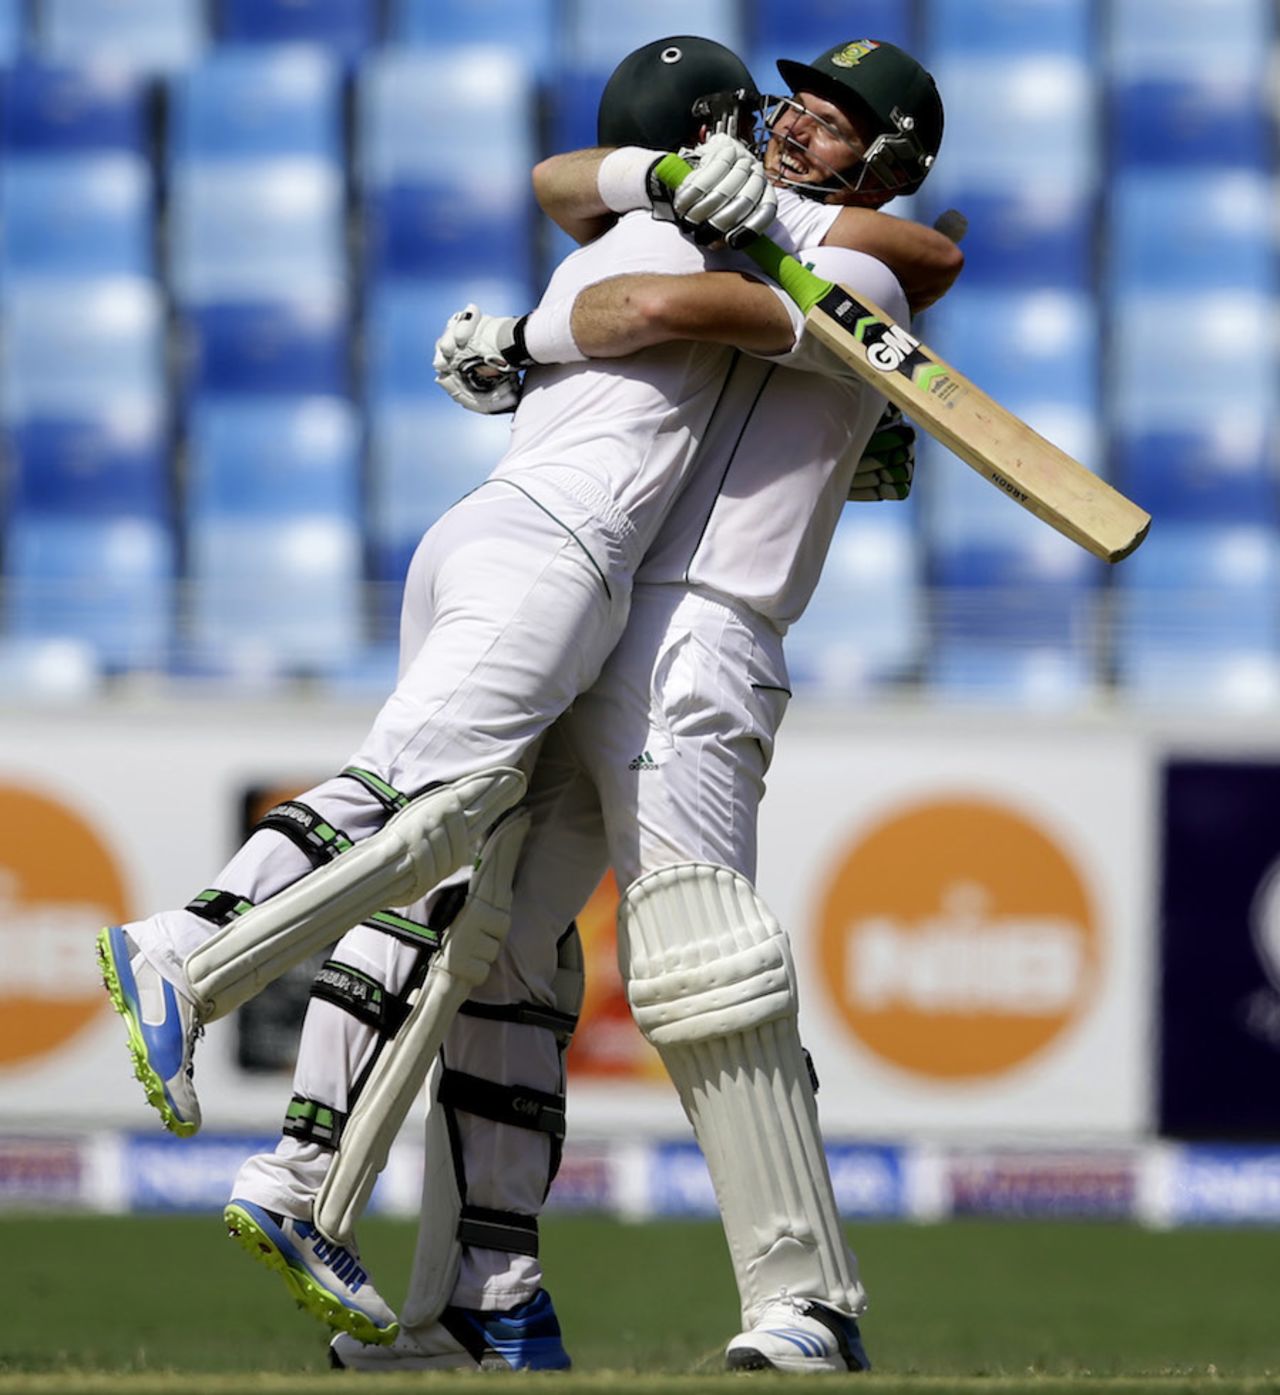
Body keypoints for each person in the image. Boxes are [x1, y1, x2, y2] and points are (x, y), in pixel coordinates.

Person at [95, 29, 953, 1354]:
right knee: (494, 937)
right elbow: (570, 186)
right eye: (796, 102)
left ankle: (806, 1304)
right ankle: (472, 1301)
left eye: (835, 123)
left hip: (704, 635)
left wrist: (526, 335)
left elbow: (665, 308)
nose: (796, 123)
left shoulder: (851, 270)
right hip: (598, 604)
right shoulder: (716, 218)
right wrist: (666, 183)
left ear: (888, 163)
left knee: (702, 958)